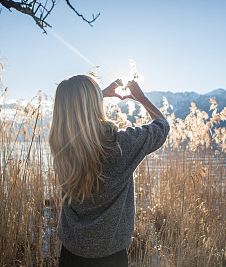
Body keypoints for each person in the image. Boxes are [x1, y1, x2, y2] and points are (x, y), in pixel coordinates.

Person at [49, 74, 169, 266]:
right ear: (94, 103)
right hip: (110, 254)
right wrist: (140, 97)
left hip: (71, 250)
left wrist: (100, 94)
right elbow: (161, 127)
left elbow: (77, 117)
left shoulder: (61, 143)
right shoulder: (119, 145)